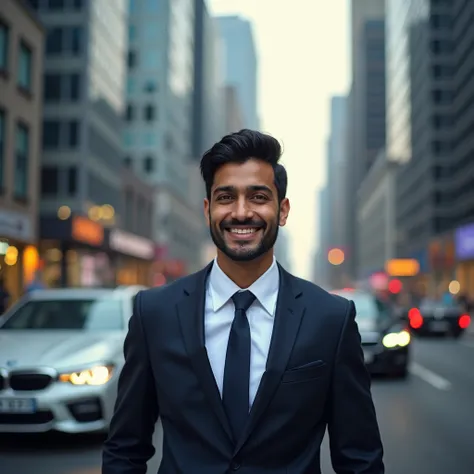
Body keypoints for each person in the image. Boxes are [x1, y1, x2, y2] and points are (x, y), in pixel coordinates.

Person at [102, 129, 384, 473]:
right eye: (225, 197)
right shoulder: (155, 313)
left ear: (282, 210)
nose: (240, 212)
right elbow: (125, 448)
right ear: (208, 209)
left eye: (258, 197)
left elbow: (360, 458)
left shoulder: (331, 319)